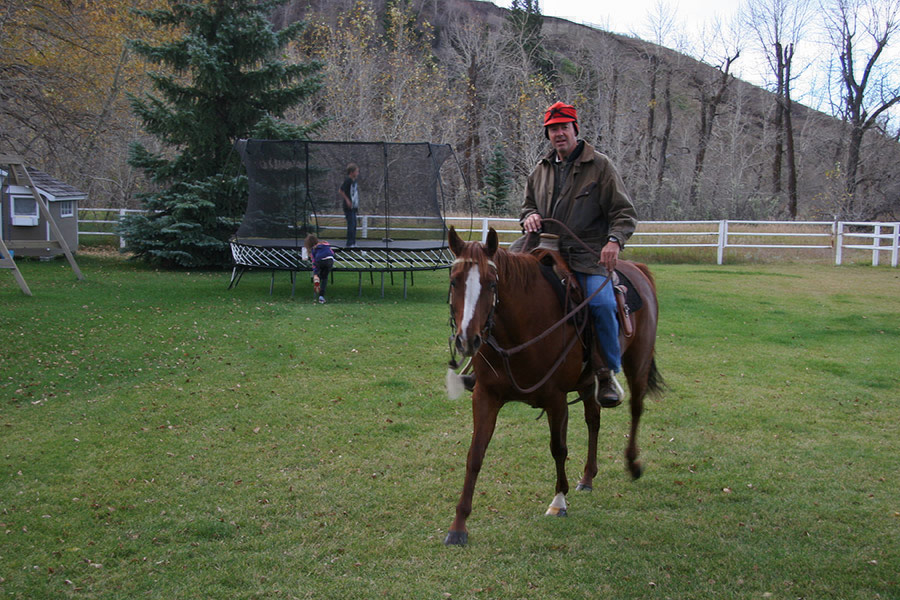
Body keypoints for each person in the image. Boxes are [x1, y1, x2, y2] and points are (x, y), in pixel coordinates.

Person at [520, 101, 638, 407]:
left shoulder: (601, 166)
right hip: (542, 249)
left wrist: (614, 241)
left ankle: (606, 372)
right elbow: (527, 206)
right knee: (498, 281)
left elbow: (624, 213)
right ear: (547, 134)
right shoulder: (540, 170)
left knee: (601, 304)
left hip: (586, 254)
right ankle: (487, 364)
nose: (559, 134)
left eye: (564, 127)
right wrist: (529, 216)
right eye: (553, 129)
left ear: (575, 129)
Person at [304, 234, 335, 304]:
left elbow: (314, 261)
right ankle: (321, 296)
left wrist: (315, 272)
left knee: (318, 274)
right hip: (329, 260)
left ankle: (317, 278)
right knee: (325, 278)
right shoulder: (326, 244)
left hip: (319, 260)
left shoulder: (313, 249)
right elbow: (332, 253)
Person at [338, 163, 360, 248]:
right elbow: (341, 190)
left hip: (354, 206)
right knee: (351, 224)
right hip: (348, 206)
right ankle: (349, 243)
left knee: (354, 225)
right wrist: (347, 200)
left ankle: (353, 242)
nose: (357, 173)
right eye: (356, 171)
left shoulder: (355, 181)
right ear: (351, 172)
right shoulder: (348, 181)